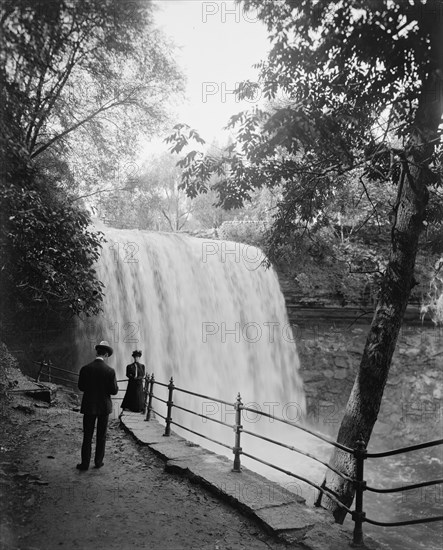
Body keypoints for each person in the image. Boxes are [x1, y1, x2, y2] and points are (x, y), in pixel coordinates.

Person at [76, 340, 118, 471]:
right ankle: (98, 462)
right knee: (101, 435)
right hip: (104, 407)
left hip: (89, 406)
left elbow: (81, 387)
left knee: (87, 435)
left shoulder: (85, 368)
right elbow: (114, 391)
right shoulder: (110, 371)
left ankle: (84, 464)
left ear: (97, 353)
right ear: (105, 355)